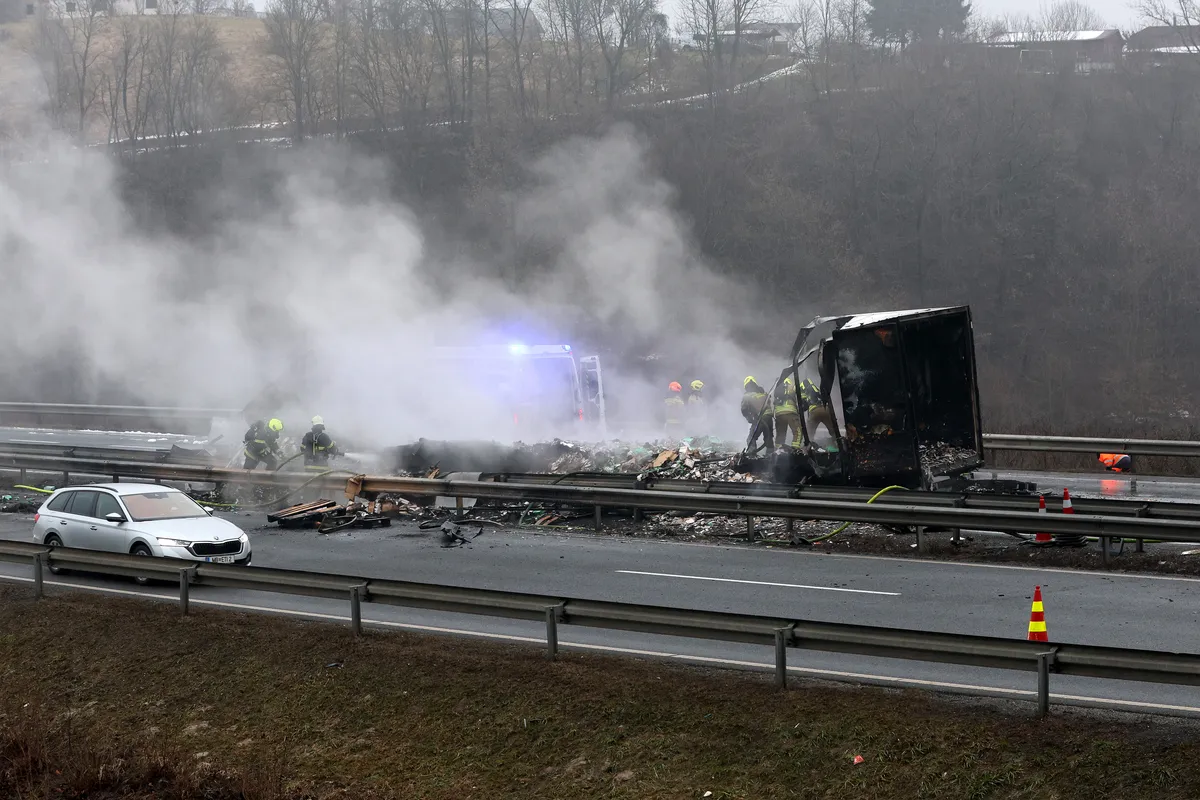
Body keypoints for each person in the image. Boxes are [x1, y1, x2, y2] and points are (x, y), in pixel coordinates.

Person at [797, 375, 837, 443]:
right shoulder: (817, 388)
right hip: (826, 409)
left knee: (809, 434)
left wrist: (799, 411)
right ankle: (838, 445)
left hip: (814, 411)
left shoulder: (804, 390)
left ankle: (808, 450)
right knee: (834, 431)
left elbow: (805, 406)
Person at [741, 376, 773, 453]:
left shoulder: (747, 396)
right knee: (768, 438)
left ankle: (752, 456)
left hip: (760, 418)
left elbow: (744, 409)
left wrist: (750, 419)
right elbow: (769, 403)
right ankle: (771, 457)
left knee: (751, 438)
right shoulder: (763, 393)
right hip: (769, 418)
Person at [774, 375, 801, 451]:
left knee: (780, 435)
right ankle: (795, 451)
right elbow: (800, 396)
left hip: (779, 414)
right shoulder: (791, 386)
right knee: (797, 432)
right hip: (790, 412)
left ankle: (778, 452)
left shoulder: (777, 389)